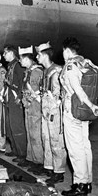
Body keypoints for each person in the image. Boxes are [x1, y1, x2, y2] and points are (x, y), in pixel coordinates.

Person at [59, 37, 98, 196]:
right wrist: (90, 107)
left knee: (75, 149)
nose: (62, 54)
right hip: (84, 113)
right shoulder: (86, 62)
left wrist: (91, 105)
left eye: (63, 51)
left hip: (73, 111)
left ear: (68, 51)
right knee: (85, 146)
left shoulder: (70, 66)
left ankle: (79, 184)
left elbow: (78, 90)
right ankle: (88, 182)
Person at [36, 41, 66, 184]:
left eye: (38, 55)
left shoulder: (57, 71)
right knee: (46, 138)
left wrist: (54, 106)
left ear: (44, 56)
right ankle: (49, 166)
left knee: (55, 141)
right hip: (45, 110)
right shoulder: (45, 71)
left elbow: (61, 94)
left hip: (54, 111)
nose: (37, 58)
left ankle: (59, 171)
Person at [19, 46, 45, 175]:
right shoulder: (28, 71)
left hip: (35, 106)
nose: (20, 61)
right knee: (29, 133)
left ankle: (39, 162)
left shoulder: (36, 71)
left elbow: (39, 90)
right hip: (28, 105)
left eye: (21, 59)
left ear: (27, 59)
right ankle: (31, 158)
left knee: (36, 135)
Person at [3, 45, 28, 166]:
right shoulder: (10, 66)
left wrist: (20, 97)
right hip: (9, 99)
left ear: (11, 53)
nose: (3, 56)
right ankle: (15, 149)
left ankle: (22, 154)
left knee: (17, 127)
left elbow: (23, 82)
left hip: (15, 101)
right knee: (10, 126)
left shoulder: (17, 65)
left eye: (5, 53)